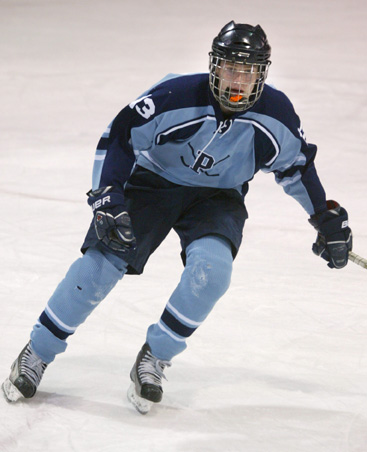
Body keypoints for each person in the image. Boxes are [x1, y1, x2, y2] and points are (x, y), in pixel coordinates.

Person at [2, 21, 352, 414]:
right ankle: (38, 351)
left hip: (219, 198)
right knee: (100, 267)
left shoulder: (277, 114)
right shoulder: (176, 96)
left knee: (212, 275)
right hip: (153, 184)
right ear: (213, 66)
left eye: (247, 71)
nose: (237, 79)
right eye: (229, 68)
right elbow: (121, 135)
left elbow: (298, 167)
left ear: (262, 74)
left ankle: (155, 357)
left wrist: (323, 218)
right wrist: (108, 197)